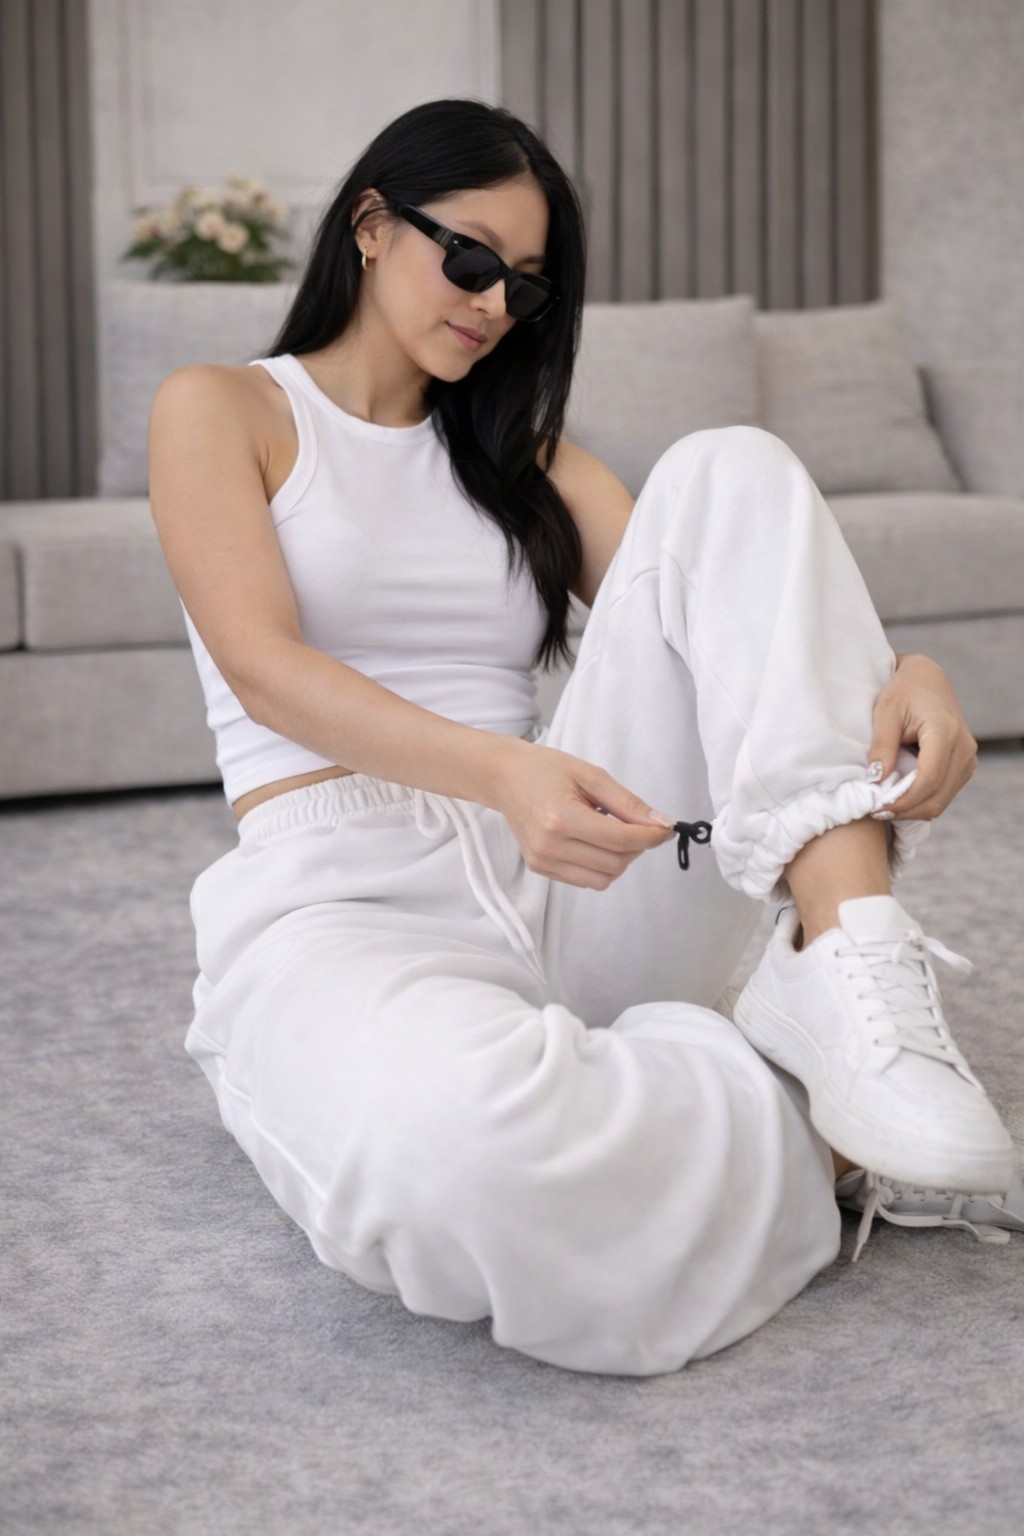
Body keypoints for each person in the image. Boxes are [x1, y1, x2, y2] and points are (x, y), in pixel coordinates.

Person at [148, 98, 1022, 1377]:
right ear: (372, 226)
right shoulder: (224, 407)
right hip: (344, 892)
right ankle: (824, 1132)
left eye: (526, 285)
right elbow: (264, 669)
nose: (494, 303)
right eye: (471, 259)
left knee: (727, 467)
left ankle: (844, 960)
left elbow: (733, 601)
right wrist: (504, 771)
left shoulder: (530, 459)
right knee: (453, 1161)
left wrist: (918, 674)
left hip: (572, 885)